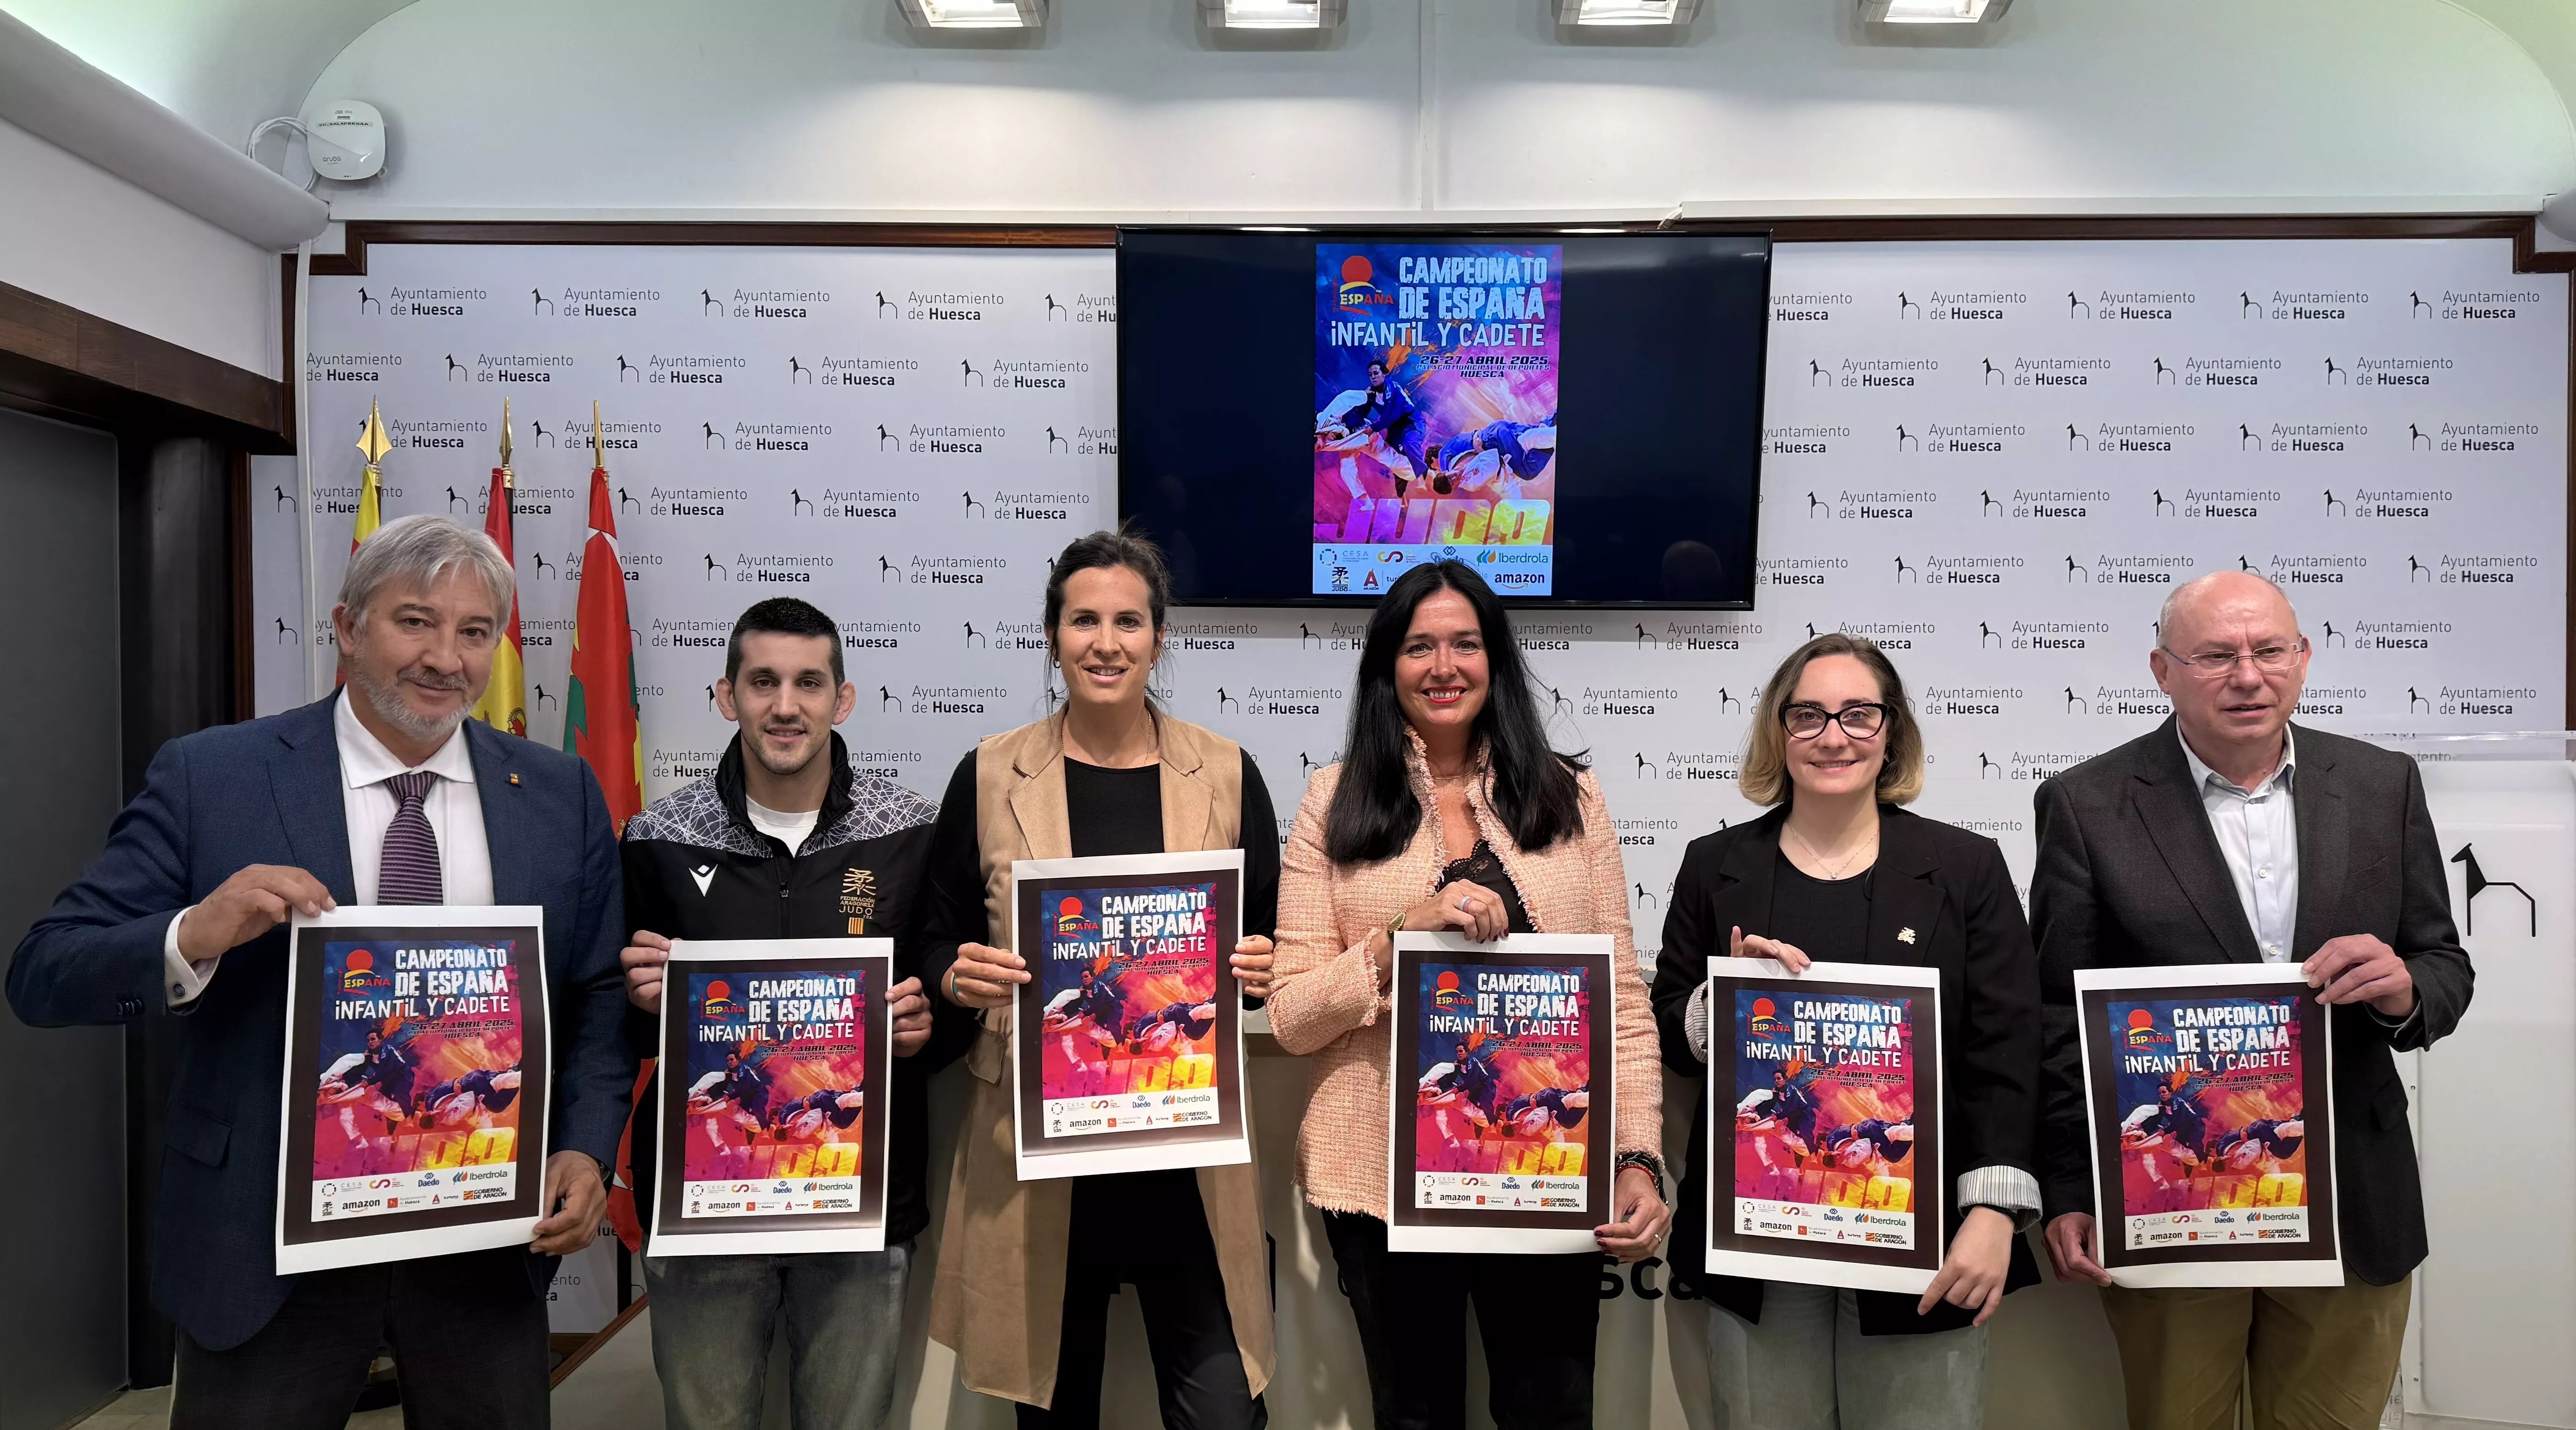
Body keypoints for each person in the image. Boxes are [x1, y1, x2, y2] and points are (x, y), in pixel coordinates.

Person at [6, 514, 632, 1430]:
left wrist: (582, 1142)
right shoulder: (213, 776)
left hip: (479, 1233)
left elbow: (598, 993)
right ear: (345, 628)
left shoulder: (557, 792)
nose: (445, 658)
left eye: (473, 632)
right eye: (413, 622)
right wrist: (196, 932)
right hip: (265, 1243)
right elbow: (43, 970)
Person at [2033, 570, 2474, 1430]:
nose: (2247, 674)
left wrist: (2401, 990)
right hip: (2170, 1205)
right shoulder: (2085, 806)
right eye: (2215, 655)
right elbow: (2056, 1015)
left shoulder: (2382, 783)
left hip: (2352, 1199)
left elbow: (2442, 968)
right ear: (2162, 670)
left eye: (2269, 650)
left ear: (2302, 659)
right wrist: (2066, 1183)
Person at [1268, 558, 1668, 1430]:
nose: (1443, 666)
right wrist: (1396, 934)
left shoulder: (1572, 797)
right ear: (1387, 666)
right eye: (1418, 647)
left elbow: (1623, 1010)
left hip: (1544, 1172)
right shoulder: (1329, 802)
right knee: (1413, 1416)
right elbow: (1291, 1018)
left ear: (1495, 661)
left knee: (1552, 1411)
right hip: (1379, 1187)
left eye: (1464, 644)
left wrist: (1637, 1156)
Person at [920, 529, 1279, 1429]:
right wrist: (956, 975)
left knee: (1224, 1414)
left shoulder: (1227, 774)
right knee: (1053, 1413)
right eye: (1083, 620)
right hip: (1041, 1157)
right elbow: (934, 940)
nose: (1105, 642)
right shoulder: (989, 773)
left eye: (1127, 621)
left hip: (1185, 1158)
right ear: (1052, 635)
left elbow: (1273, 939)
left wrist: (1263, 967)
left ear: (1159, 637)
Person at [1649, 632, 2043, 1430]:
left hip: (1926, 1242)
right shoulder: (1714, 867)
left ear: (1891, 729)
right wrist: (1717, 1007)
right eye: (1808, 716)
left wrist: (1994, 1213)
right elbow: (1663, 1033)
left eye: (1858, 715)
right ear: (1778, 731)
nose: (1834, 736)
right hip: (1758, 1240)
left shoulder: (1964, 868)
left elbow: (2005, 1046)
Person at [616, 596, 972, 1430]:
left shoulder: (913, 829)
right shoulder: (656, 835)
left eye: (809, 683)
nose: (786, 706)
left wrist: (929, 1027)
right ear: (725, 695)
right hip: (703, 1211)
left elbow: (949, 992)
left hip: (859, 1206)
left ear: (842, 700)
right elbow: (619, 1029)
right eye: (764, 681)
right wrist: (640, 1000)